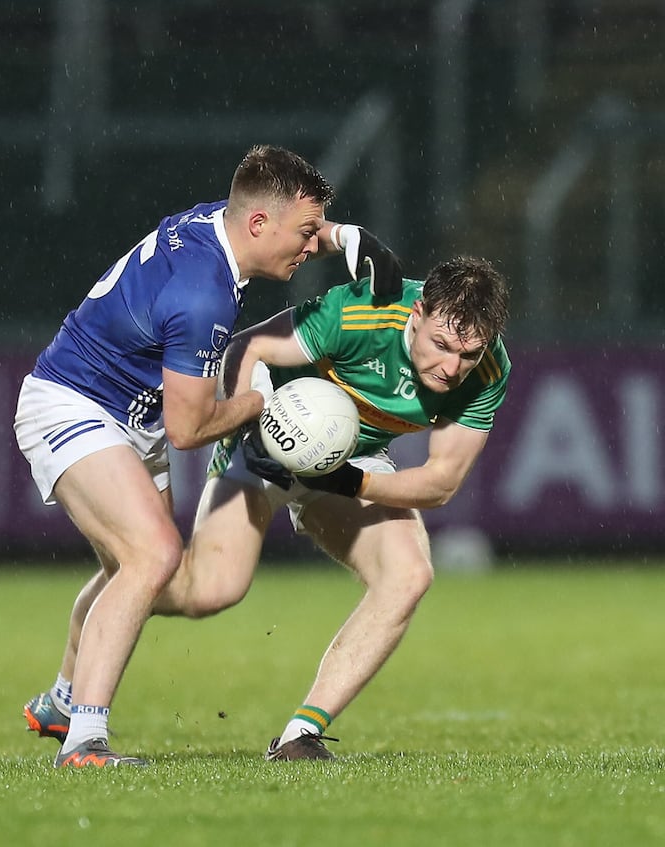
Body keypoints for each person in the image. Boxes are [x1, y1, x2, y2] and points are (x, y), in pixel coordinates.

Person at [15, 144, 404, 768]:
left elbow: (268, 208)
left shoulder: (213, 226)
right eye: (304, 235)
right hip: (74, 404)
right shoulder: (205, 297)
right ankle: (85, 743)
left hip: (127, 416)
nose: (309, 248)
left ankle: (63, 700)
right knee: (153, 555)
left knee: (157, 576)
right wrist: (263, 404)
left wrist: (341, 236)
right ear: (258, 226)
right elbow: (191, 429)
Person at [150, 253, 511, 760]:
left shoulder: (488, 369)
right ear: (418, 313)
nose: (451, 368)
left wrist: (351, 481)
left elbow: (441, 481)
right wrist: (247, 417)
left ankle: (301, 735)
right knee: (207, 591)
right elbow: (245, 347)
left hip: (352, 465)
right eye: (442, 345)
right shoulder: (364, 311)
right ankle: (108, 612)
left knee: (409, 575)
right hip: (263, 449)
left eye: (468, 354)